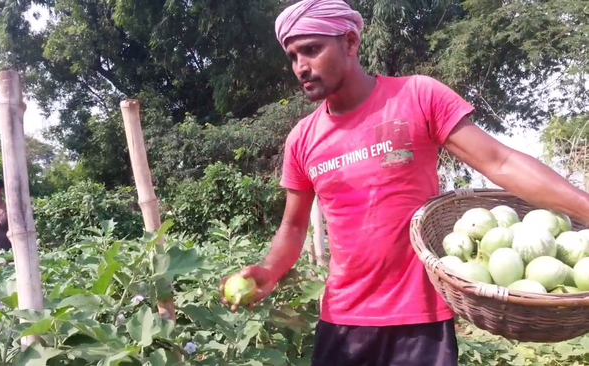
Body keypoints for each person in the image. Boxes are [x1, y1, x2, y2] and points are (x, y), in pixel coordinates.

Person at [218, 0, 589, 365]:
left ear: (350, 42)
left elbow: (501, 161)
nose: (301, 67)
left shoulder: (417, 96)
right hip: (344, 319)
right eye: (293, 57)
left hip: (421, 321)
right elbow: (294, 224)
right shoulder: (303, 138)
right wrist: (269, 271)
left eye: (312, 50)